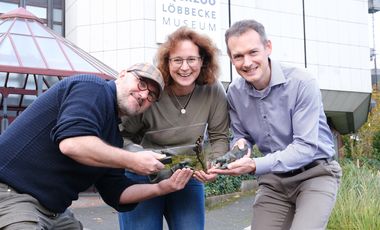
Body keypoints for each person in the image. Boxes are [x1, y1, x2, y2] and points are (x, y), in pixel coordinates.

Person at [0, 63, 193, 230]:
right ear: (123, 74)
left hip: (54, 212)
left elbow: (117, 192)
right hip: (12, 195)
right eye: (141, 83)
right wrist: (133, 160)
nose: (144, 95)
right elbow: (73, 144)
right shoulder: (92, 87)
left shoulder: (112, 139)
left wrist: (162, 187)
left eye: (151, 95)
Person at [209, 19, 342, 230]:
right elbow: (241, 136)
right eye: (238, 56)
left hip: (315, 173)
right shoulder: (234, 92)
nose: (247, 62)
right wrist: (239, 150)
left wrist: (254, 165)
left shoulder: (301, 83)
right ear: (231, 58)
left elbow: (306, 147)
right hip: (274, 181)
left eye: (253, 52)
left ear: (268, 47)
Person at [118, 27, 229, 230]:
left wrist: (215, 164)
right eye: (177, 60)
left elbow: (220, 137)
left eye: (191, 59)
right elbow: (121, 137)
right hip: (143, 176)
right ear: (167, 62)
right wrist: (139, 157)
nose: (184, 67)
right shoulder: (152, 90)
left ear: (202, 60)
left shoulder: (214, 90)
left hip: (189, 175)